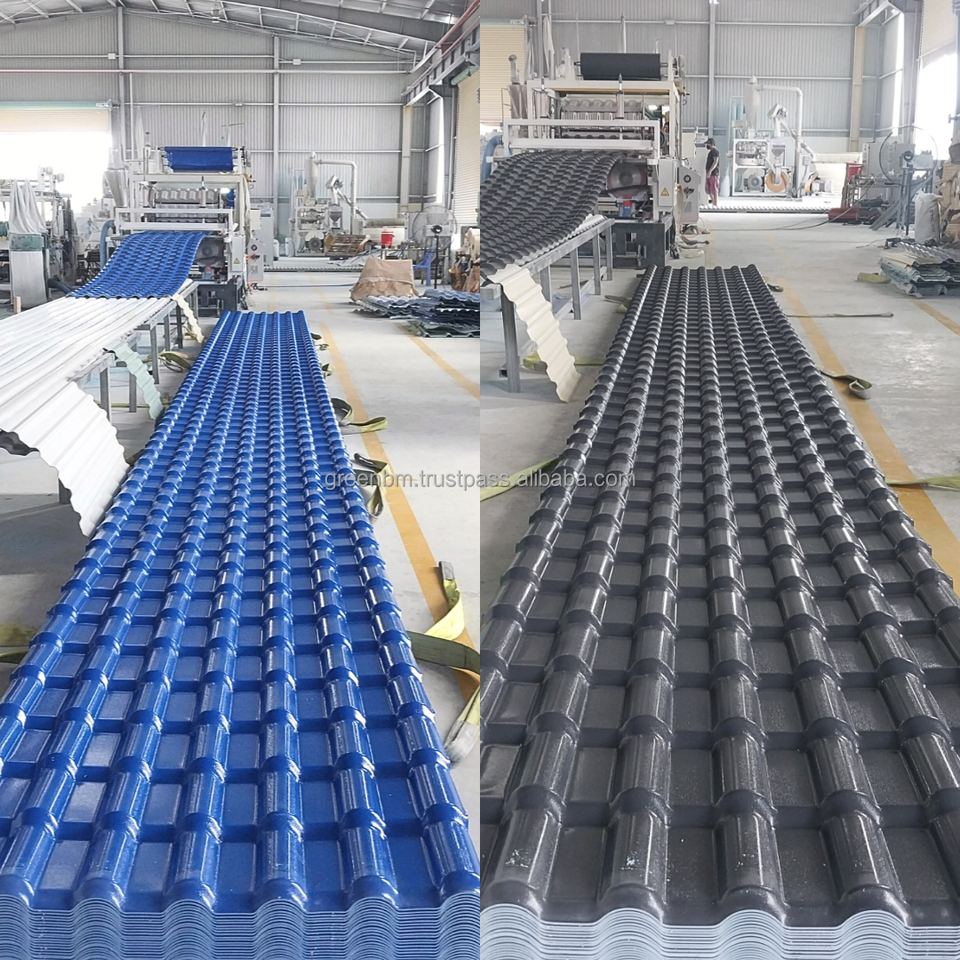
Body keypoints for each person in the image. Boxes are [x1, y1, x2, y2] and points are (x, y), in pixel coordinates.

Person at [705, 137, 720, 207]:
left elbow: (715, 162)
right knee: (708, 189)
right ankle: (713, 202)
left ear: (712, 144)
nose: (707, 146)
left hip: (714, 174)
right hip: (709, 173)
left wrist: (710, 171)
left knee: (714, 189)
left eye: (708, 144)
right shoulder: (710, 152)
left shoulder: (715, 152)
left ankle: (715, 204)